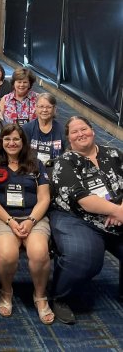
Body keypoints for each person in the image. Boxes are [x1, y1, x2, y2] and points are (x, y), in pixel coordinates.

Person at [49, 116, 123, 325]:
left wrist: (119, 210)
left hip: (116, 213)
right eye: (75, 132)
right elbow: (84, 200)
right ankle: (59, 297)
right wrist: (118, 212)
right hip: (76, 217)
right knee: (85, 257)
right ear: (68, 138)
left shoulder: (114, 154)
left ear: (93, 130)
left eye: (84, 129)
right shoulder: (65, 162)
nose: (81, 134)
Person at [0, 124, 53, 324]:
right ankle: (6, 292)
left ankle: (40, 296)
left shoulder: (36, 163)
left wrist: (31, 221)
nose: (11, 143)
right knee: (7, 253)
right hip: (2, 218)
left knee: (39, 252)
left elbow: (44, 199)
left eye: (16, 139)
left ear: (23, 142)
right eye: (7, 139)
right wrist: (10, 221)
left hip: (34, 218)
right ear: (1, 142)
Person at [23, 93, 65, 167]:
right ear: (36, 108)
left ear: (54, 109)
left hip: (55, 171)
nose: (44, 110)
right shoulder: (26, 128)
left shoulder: (63, 130)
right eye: (41, 106)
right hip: (32, 170)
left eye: (49, 107)